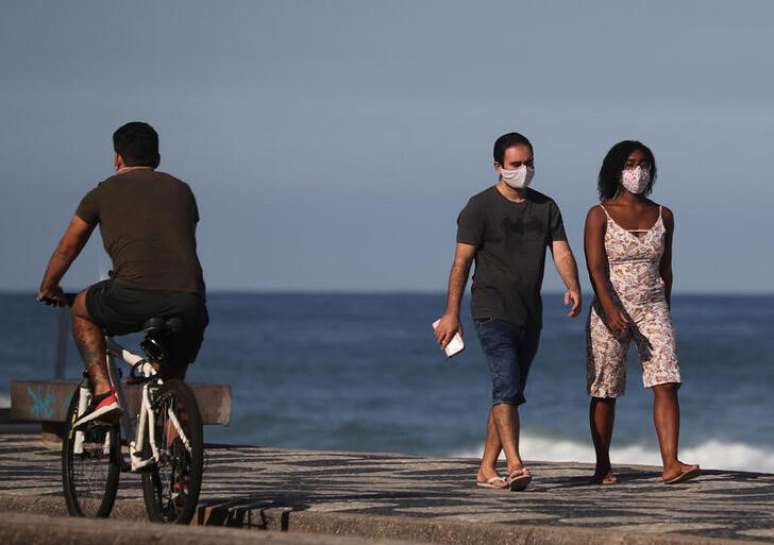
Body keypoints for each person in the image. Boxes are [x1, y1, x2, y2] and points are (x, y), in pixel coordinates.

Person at [434, 132, 582, 491]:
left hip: (529, 313)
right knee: (506, 385)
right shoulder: (479, 207)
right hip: (490, 309)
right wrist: (452, 313)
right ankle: (515, 464)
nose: (524, 169)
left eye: (529, 163)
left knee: (510, 390)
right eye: (516, 164)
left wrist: (573, 285)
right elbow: (461, 263)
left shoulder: (546, 207)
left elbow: (561, 250)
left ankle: (486, 468)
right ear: (498, 166)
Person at [37, 121, 208, 425]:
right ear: (157, 158)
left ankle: (104, 394)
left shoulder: (101, 194)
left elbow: (67, 248)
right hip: (190, 301)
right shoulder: (182, 191)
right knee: (172, 383)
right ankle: (179, 453)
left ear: (117, 157)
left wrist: (48, 287)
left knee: (81, 311)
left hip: (132, 293)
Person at [584, 140, 699, 485]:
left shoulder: (664, 215)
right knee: (605, 388)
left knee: (667, 380)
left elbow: (666, 269)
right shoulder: (598, 214)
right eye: (631, 164)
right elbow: (595, 269)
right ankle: (603, 466)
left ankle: (671, 463)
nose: (639, 171)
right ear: (616, 170)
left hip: (653, 307)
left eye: (645, 164)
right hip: (611, 309)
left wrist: (665, 311)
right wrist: (610, 308)